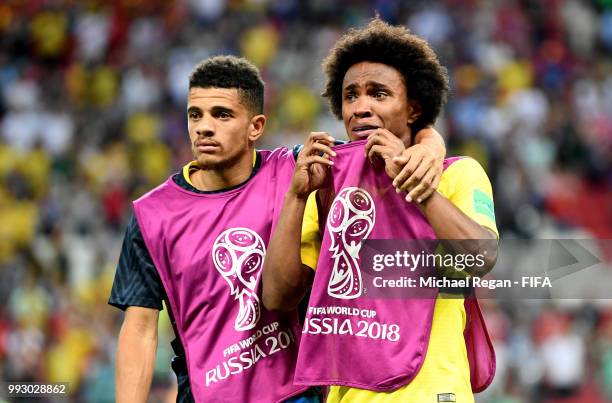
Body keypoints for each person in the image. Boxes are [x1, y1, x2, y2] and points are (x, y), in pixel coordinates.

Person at [108, 55, 446, 402]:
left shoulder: (301, 169)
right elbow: (140, 329)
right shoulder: (152, 215)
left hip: (299, 392)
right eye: (195, 115)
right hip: (206, 393)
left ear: (256, 126)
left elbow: (382, 142)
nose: (204, 127)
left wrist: (430, 143)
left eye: (221, 115)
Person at [262, 18, 499, 403]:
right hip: (347, 395)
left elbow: (483, 258)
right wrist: (296, 197)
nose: (360, 107)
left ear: (412, 109)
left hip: (432, 391)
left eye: (378, 93)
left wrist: (417, 186)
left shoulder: (457, 173)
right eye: (351, 95)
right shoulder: (327, 186)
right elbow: (277, 296)